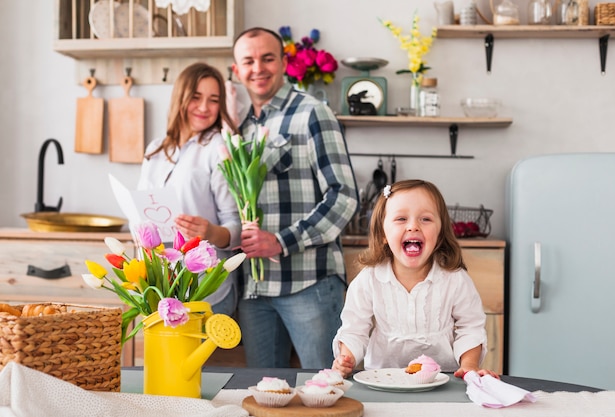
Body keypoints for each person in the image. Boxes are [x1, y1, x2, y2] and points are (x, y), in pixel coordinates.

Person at [231, 27, 359, 369]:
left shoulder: (311, 112)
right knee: (265, 395)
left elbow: (343, 196)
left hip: (309, 283)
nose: (258, 68)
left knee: (327, 389)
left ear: (284, 62)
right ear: (236, 70)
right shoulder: (239, 128)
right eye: (248, 61)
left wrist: (281, 242)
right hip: (255, 291)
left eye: (267, 58)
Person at [332, 180, 499, 379]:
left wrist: (469, 365)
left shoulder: (455, 280)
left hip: (442, 380)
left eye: (425, 219)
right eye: (401, 218)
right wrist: (346, 358)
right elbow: (354, 329)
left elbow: (470, 327)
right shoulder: (369, 279)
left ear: (440, 233)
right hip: (383, 379)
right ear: (383, 233)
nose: (413, 226)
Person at [137, 62, 242, 316]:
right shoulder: (156, 150)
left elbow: (237, 227)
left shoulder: (218, 149)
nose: (204, 107)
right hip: (162, 286)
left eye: (213, 99)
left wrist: (210, 231)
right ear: (180, 98)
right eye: (196, 97)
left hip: (206, 289)